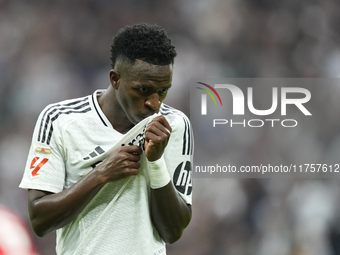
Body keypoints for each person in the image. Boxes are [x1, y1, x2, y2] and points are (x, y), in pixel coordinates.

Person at [19, 23, 193, 255]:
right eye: (143, 90)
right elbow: (40, 220)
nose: (154, 103)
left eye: (163, 91)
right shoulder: (60, 120)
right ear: (115, 79)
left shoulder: (174, 125)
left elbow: (172, 231)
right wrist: (101, 174)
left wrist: (155, 162)